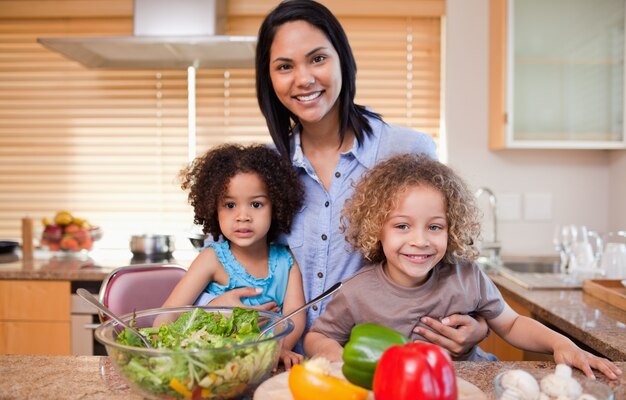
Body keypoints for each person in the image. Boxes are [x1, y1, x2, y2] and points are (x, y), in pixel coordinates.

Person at [209, 0, 489, 358]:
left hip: (383, 366)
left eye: (318, 58)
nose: (304, 78)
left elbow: (444, 259)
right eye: (284, 66)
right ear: (269, 78)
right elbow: (221, 256)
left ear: (343, 59)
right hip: (290, 366)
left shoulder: (407, 149)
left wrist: (478, 325)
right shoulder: (260, 168)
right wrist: (215, 304)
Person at [304, 154, 622, 379]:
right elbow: (317, 338)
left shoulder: (467, 275)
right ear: (377, 230)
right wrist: (339, 357)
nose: (420, 241)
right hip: (394, 394)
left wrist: (560, 343)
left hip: (469, 384)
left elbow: (511, 325)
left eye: (434, 227)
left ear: (451, 228)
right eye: (402, 226)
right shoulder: (358, 291)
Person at [159, 143, 306, 369]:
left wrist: (280, 349)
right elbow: (165, 320)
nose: (243, 216)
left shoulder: (286, 261)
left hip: (260, 370)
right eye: (230, 205)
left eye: (256, 204)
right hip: (211, 368)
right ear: (213, 209)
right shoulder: (212, 259)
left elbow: (294, 318)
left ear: (276, 207)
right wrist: (216, 312)